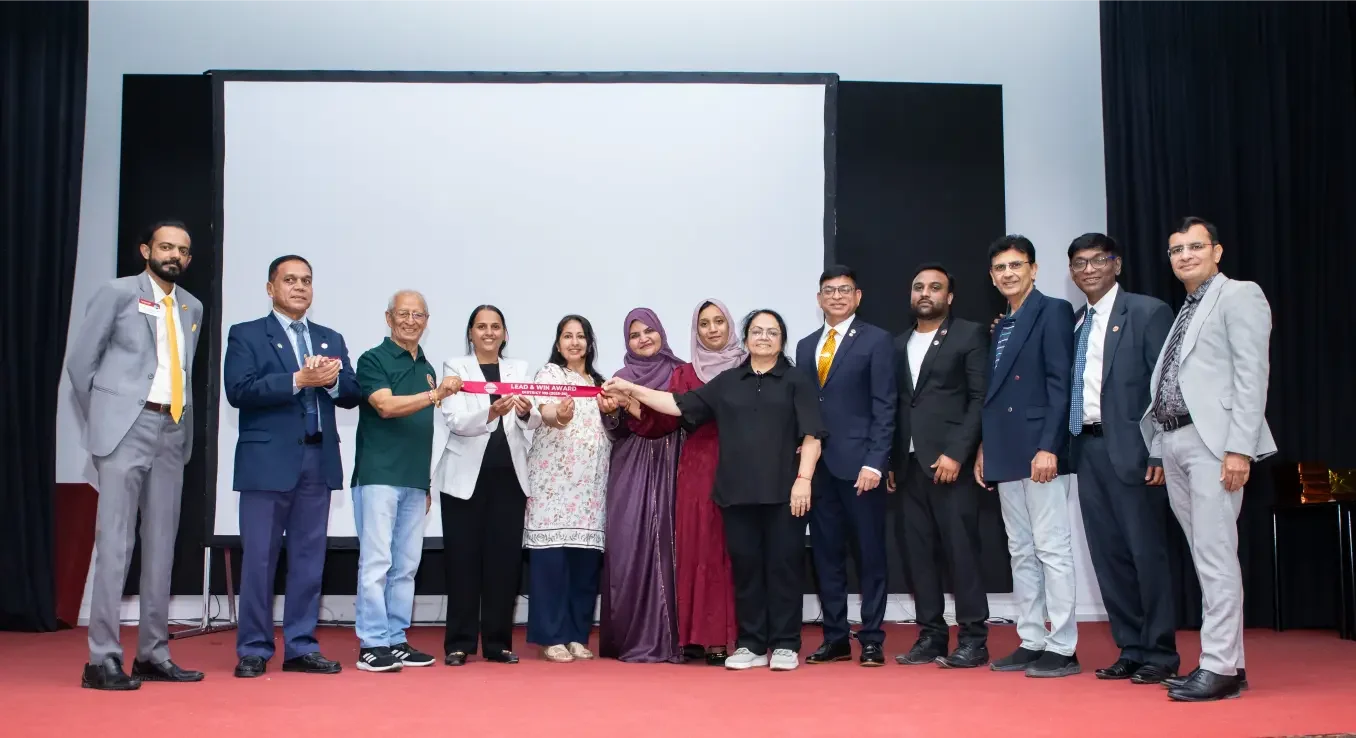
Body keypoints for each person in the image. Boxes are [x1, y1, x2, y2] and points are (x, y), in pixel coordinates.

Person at [605, 309, 824, 672]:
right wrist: (631, 389)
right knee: (746, 570)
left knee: (783, 567)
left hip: (784, 493)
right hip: (735, 493)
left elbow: (813, 435)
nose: (764, 337)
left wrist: (804, 480)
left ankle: (785, 644)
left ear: (781, 339)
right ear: (747, 337)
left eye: (772, 332)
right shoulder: (728, 381)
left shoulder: (796, 380)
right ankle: (752, 644)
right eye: (757, 331)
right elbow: (677, 404)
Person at [67, 220, 206, 690]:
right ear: (146, 250)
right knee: (116, 545)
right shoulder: (117, 292)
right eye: (166, 247)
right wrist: (105, 419)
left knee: (163, 546)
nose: (174, 255)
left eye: (182, 250)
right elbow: (80, 364)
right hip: (126, 428)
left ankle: (153, 653)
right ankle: (101, 659)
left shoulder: (192, 306)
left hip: (172, 429)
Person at [1144, 217, 1275, 702]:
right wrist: (1159, 446)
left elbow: (1252, 375)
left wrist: (1239, 448)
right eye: (1177, 250)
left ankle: (1218, 666)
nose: (1185, 256)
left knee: (1216, 556)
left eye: (1195, 247)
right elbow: (1173, 381)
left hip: (1214, 444)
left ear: (1216, 251)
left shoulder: (1239, 295)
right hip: (1175, 440)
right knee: (1205, 556)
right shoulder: (1187, 307)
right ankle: (1229, 665)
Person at [224, 255, 360, 678]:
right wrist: (298, 380)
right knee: (259, 560)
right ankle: (253, 648)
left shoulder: (329, 338)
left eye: (306, 280)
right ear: (271, 288)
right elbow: (238, 390)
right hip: (266, 464)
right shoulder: (247, 334)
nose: (300, 287)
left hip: (317, 460)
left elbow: (352, 392)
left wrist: (332, 380)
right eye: (290, 280)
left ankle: (301, 646)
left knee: (308, 560)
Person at [1065, 233, 1179, 685]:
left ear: (1117, 264)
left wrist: (1159, 449)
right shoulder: (1076, 323)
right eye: (1079, 263)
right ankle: (1130, 648)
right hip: (1087, 450)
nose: (1089, 269)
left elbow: (1166, 387)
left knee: (1146, 554)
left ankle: (1160, 653)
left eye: (1098, 260)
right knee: (1108, 555)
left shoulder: (1148, 312)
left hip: (1135, 451)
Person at [975, 235, 1079, 678]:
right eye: (1000, 268)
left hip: (1039, 450)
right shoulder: (1002, 325)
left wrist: (1049, 446)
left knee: (1051, 548)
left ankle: (1064, 645)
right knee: (1020, 550)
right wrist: (985, 447)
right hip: (1004, 449)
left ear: (1034, 269)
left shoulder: (1053, 310)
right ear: (992, 276)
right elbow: (994, 396)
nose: (1008, 274)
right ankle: (1032, 638)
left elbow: (1060, 383)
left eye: (1016, 265)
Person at [625, 299, 744, 665]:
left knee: (739, 551)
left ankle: (741, 635)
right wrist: (629, 403)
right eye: (704, 323)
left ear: (730, 325)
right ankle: (704, 636)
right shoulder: (685, 375)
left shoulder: (750, 367)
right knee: (703, 551)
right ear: (696, 330)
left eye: (719, 321)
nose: (712, 329)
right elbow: (664, 423)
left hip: (746, 469)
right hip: (699, 471)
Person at [350, 291, 462, 673]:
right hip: (378, 476)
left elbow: (421, 430)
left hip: (414, 482)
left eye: (418, 315)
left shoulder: (426, 366)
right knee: (377, 563)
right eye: (403, 314)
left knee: (406, 566)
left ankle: (395, 639)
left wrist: (425, 484)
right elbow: (385, 406)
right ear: (389, 318)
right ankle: (372, 644)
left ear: (427, 321)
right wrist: (435, 394)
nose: (410, 321)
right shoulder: (373, 359)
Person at [885, 264, 990, 669]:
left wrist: (957, 452)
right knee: (919, 556)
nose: (925, 293)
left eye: (934, 287)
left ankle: (974, 639)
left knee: (962, 553)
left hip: (950, 466)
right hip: (908, 467)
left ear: (950, 297)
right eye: (918, 287)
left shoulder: (969, 335)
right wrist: (892, 459)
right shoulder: (897, 344)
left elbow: (979, 398)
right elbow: (897, 406)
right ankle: (931, 635)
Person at [794, 265, 897, 666]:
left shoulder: (877, 340)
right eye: (829, 290)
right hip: (818, 470)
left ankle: (871, 638)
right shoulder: (805, 346)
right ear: (819, 298)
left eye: (844, 290)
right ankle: (835, 637)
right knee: (826, 556)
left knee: (870, 555)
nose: (836, 296)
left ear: (858, 297)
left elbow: (885, 405)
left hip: (861, 470)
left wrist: (876, 462)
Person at [434, 305, 538, 666]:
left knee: (504, 563)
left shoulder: (519, 369)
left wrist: (523, 411)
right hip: (464, 480)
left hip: (509, 478)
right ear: (471, 333)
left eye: (495, 327)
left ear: (505, 334)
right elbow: (455, 420)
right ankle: (459, 643)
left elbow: (533, 420)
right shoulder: (455, 366)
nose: (489, 333)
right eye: (481, 327)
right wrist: (492, 411)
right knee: (462, 561)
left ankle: (498, 644)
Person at [523, 315, 622, 662]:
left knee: (584, 564)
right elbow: (545, 411)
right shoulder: (550, 374)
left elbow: (613, 427)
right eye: (568, 336)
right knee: (551, 563)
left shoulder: (602, 384)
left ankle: (577, 634)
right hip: (553, 484)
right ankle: (551, 637)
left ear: (590, 343)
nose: (575, 342)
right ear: (558, 342)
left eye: (581, 336)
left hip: (591, 487)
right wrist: (559, 416)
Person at [600, 308, 686, 663]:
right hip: (631, 470)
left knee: (676, 548)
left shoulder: (681, 372)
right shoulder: (619, 378)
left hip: (674, 465)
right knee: (629, 547)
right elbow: (615, 431)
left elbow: (675, 418)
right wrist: (611, 412)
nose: (643, 339)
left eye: (649, 331)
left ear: (661, 333)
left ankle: (680, 639)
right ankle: (631, 637)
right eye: (634, 335)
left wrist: (632, 402)